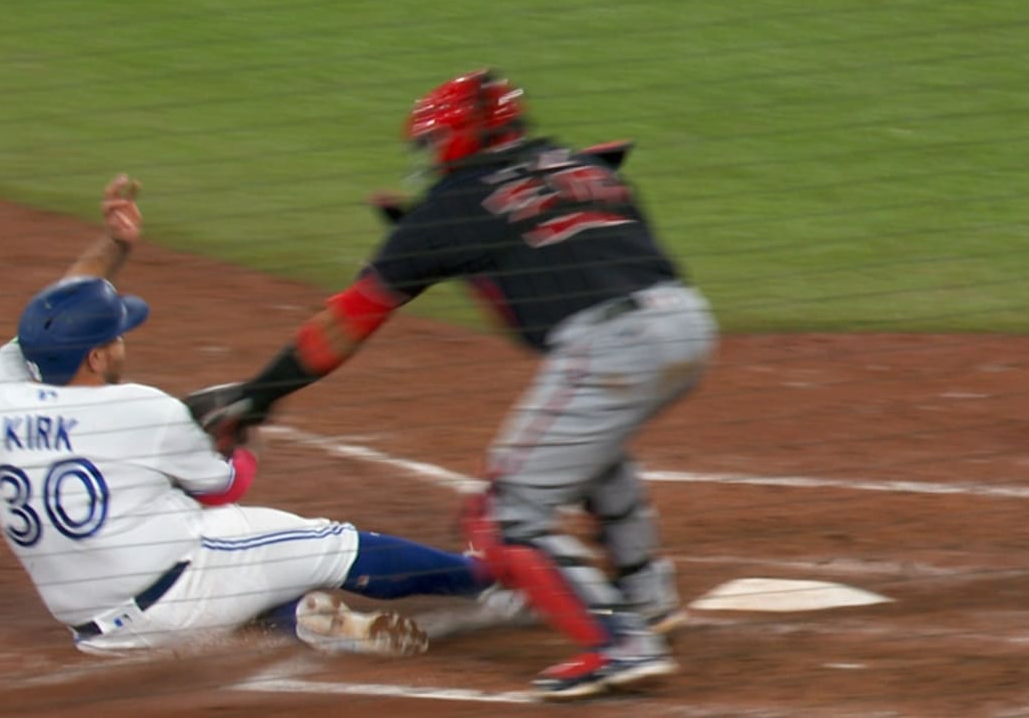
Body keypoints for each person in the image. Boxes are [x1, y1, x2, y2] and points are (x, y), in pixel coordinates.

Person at [209, 69, 719, 700]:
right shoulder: (579, 168)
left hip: (611, 346)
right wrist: (438, 244)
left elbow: (349, 319)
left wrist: (262, 393)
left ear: (459, 138)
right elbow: (540, 247)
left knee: (503, 515)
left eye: (432, 141)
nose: (427, 156)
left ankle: (619, 642)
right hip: (688, 324)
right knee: (592, 451)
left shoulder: (455, 204)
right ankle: (646, 599)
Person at [0, 174, 495, 659]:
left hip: (100, 634)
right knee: (327, 543)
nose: (121, 337)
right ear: (96, 357)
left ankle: (303, 621)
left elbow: (55, 310)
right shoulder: (138, 408)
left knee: (247, 566)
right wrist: (241, 440)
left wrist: (117, 245)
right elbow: (224, 488)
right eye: (116, 334)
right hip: (181, 596)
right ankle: (489, 577)